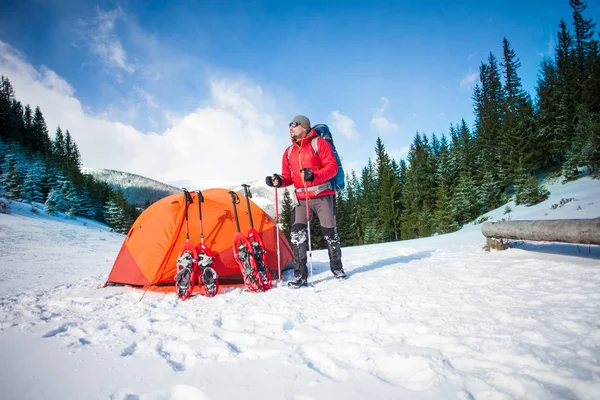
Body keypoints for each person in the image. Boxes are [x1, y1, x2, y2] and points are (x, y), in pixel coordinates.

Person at [265, 115, 346, 288]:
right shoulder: (288, 152)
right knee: (297, 234)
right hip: (302, 199)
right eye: (289, 125)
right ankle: (300, 275)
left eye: (294, 125)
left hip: (323, 195)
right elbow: (289, 177)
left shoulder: (319, 144)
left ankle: (337, 268)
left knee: (330, 234)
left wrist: (314, 175)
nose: (290, 128)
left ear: (305, 126)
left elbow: (331, 168)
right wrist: (279, 181)